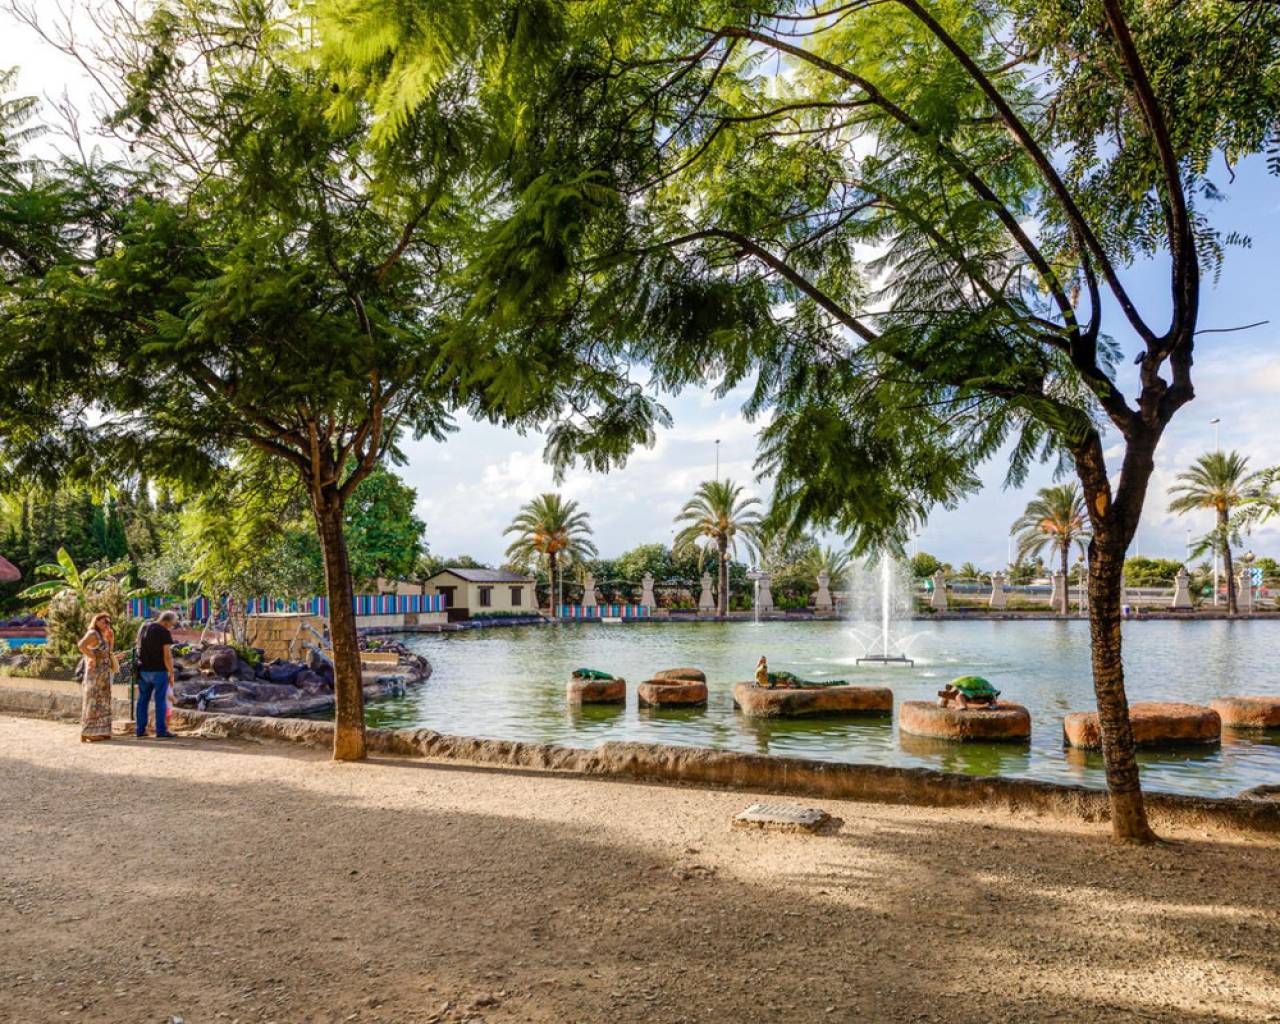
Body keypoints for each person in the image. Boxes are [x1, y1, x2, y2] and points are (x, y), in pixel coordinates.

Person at [135, 610, 178, 739]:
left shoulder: (144, 626)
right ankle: (161, 731)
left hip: (143, 669)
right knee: (160, 700)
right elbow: (167, 656)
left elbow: (137, 646)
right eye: (172, 624)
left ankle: (140, 730)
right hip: (159, 670)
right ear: (166, 622)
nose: (171, 627)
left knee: (142, 700)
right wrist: (171, 673)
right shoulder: (164, 632)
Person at [76, 613, 117, 742]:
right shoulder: (93, 633)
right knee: (93, 701)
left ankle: (102, 730)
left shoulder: (103, 634)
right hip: (95, 673)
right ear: (97, 621)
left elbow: (108, 652)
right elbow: (81, 645)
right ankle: (88, 732)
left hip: (103, 673)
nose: (107, 624)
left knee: (102, 701)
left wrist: (111, 639)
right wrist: (92, 656)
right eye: (105, 621)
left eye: (109, 622)